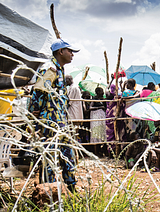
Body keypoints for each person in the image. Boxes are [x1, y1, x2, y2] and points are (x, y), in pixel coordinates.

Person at [28, 38, 79, 192]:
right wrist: (35, 112)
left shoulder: (59, 70)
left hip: (59, 120)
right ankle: (48, 192)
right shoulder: (50, 69)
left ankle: (71, 187)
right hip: (49, 121)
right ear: (60, 52)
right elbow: (38, 92)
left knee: (66, 153)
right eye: (70, 51)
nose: (72, 55)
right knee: (50, 155)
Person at [90, 87, 107, 157]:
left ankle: (102, 151)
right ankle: (96, 152)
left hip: (102, 117)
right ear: (97, 92)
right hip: (95, 117)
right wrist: (99, 108)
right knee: (96, 132)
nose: (102, 92)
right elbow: (90, 107)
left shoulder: (103, 99)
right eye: (101, 91)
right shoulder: (94, 99)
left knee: (102, 132)